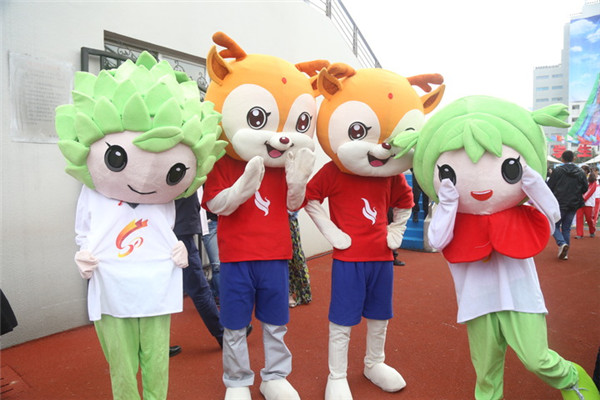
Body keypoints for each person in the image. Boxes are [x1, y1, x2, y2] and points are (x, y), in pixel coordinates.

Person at [403, 95, 599, 400]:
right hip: (476, 301)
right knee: (486, 373)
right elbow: (437, 240)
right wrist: (449, 201)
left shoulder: (521, 213)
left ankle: (572, 378)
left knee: (537, 359)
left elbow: (553, 215)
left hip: (520, 296)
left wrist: (530, 179)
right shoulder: (449, 215)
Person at [56, 52, 225, 399]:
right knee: (121, 364)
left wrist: (178, 248)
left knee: (156, 361)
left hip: (155, 286)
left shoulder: (166, 198)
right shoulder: (93, 192)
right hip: (111, 285)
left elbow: (166, 228)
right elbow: (83, 230)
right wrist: (83, 254)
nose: (146, 178)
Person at [172, 191, 224, 352]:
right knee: (198, 286)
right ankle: (222, 332)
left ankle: (153, 343)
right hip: (179, 229)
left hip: (176, 227)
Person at [547, 150, 588, 260]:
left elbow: (550, 186)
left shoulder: (557, 171)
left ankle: (562, 243)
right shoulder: (580, 172)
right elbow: (585, 188)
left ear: (562, 159)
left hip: (559, 202)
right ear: (574, 158)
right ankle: (565, 252)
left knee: (554, 225)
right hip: (574, 203)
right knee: (566, 228)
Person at [287, 211, 311, 307]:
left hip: (289, 218)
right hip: (269, 220)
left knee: (294, 255)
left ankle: (300, 292)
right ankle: (286, 293)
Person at [201, 209, 221, 303]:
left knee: (220, 264)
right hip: (210, 222)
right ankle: (220, 296)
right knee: (217, 265)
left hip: (224, 221)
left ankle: (215, 294)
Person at [575, 170, 597, 239]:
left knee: (589, 219)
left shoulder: (593, 182)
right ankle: (579, 234)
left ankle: (592, 231)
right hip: (580, 202)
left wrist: (582, 199)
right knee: (579, 218)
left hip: (588, 204)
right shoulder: (579, 180)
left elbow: (589, 192)